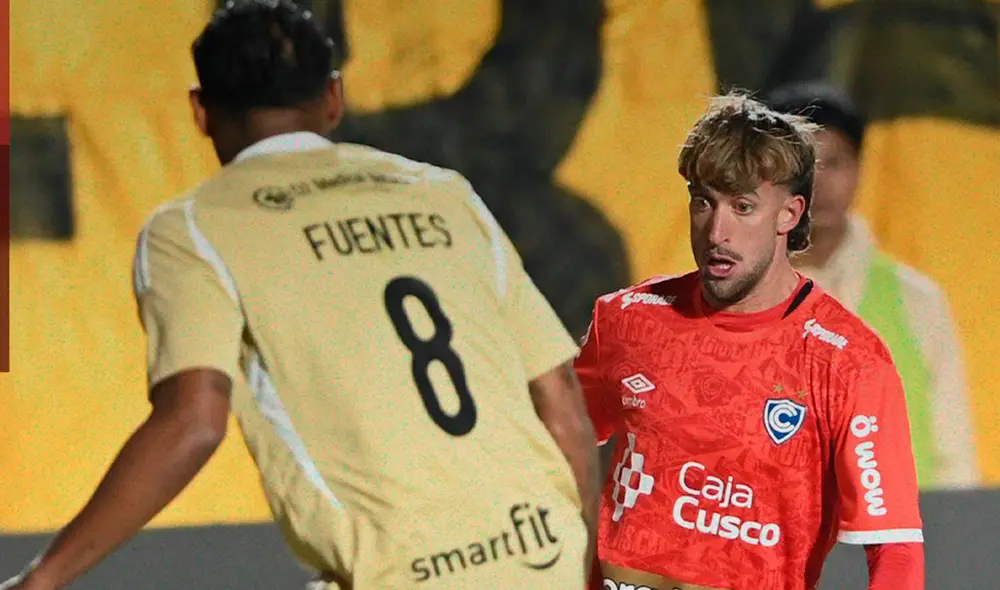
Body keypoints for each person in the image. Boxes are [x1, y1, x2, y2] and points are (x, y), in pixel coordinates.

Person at [1, 2, 599, 589]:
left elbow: (194, 421)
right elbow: (560, 399)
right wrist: (589, 567)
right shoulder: (445, 194)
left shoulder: (193, 228)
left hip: (400, 573)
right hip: (549, 554)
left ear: (201, 111)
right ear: (333, 97)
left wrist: (44, 577)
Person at [575, 93, 924, 590]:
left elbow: (896, 552)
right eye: (703, 202)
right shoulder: (626, 321)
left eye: (743, 207)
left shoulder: (848, 361)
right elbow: (548, 451)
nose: (718, 231)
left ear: (789, 213)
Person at [766, 81, 979, 490]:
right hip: (769, 545)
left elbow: (955, 459)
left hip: (897, 545)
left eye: (835, 163)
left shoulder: (918, 302)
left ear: (861, 167)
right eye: (802, 166)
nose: (818, 183)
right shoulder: (727, 301)